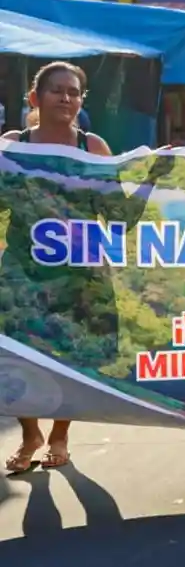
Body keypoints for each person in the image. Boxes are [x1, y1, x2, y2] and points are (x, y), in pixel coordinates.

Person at [2, 62, 111, 473]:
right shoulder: (14, 144)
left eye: (74, 92)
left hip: (80, 274)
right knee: (18, 358)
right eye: (56, 91)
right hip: (22, 272)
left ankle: (60, 435)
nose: (66, 98)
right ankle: (30, 434)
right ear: (35, 98)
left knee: (73, 357)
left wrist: (151, 176)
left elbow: (115, 208)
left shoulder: (92, 147)